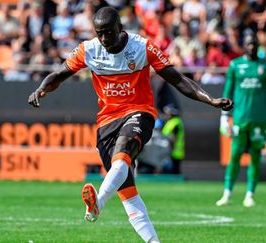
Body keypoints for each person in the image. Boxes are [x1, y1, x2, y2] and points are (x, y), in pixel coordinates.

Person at [28, 7, 233, 243]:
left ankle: (99, 201)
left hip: (139, 113)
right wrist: (41, 89)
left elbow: (177, 79)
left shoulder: (142, 47)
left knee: (124, 150)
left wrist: (211, 99)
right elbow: (59, 74)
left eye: (109, 33)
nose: (104, 39)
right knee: (128, 194)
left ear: (120, 28)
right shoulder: (89, 50)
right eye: (100, 33)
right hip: (107, 122)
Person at [216, 34, 266, 208]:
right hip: (240, 119)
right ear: (243, 46)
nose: (251, 46)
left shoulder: (263, 65)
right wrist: (224, 118)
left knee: (255, 157)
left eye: (254, 44)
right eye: (248, 44)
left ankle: (250, 195)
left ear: (258, 45)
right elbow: (228, 93)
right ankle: (227, 194)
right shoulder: (235, 65)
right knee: (235, 156)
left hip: (259, 121)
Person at [161, 105, 185, 174]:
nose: (166, 114)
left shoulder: (175, 122)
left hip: (174, 152)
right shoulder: (171, 122)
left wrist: (169, 150)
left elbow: (173, 138)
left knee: (174, 171)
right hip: (170, 151)